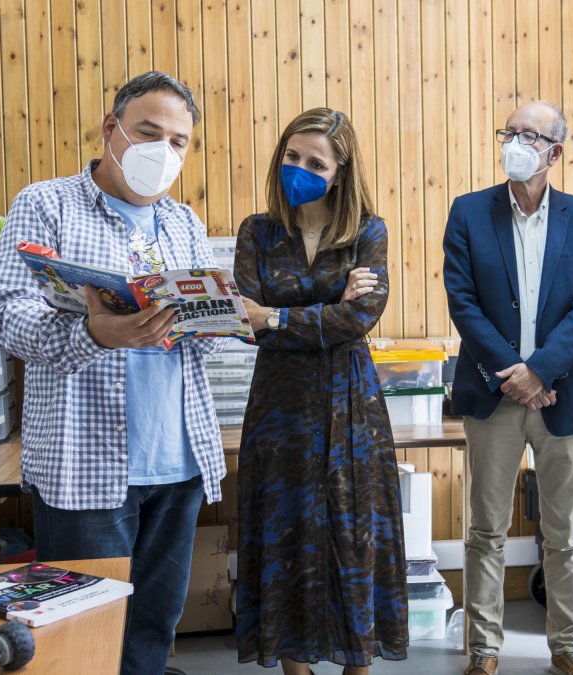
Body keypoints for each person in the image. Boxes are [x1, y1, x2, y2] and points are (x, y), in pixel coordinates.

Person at [0, 71, 227, 675]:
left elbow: (205, 341)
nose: (162, 151)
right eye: (148, 132)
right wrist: (95, 333)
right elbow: (10, 318)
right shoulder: (45, 204)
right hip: (85, 464)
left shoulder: (184, 222)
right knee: (83, 635)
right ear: (111, 129)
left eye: (178, 141)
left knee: (155, 624)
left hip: (178, 460)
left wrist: (224, 318)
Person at [233, 107, 408, 675]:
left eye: (315, 162)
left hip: (348, 405)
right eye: (292, 156)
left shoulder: (368, 232)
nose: (300, 169)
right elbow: (243, 322)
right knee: (284, 532)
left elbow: (360, 319)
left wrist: (278, 316)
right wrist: (327, 309)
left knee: (353, 533)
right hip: (278, 408)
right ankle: (296, 667)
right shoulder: (257, 232)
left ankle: (358, 664)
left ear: (339, 172)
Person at [443, 101, 573, 675]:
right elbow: (463, 302)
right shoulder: (469, 212)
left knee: (564, 532)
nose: (514, 142)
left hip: (562, 395)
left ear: (554, 153)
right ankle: (484, 649)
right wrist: (515, 374)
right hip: (493, 393)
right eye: (509, 132)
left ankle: (568, 647)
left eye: (529, 135)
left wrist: (540, 371)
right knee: (485, 529)